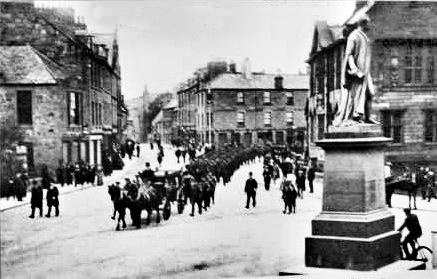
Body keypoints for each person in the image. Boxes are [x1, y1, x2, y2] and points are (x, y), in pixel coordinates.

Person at [334, 14, 377, 126]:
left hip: (366, 72)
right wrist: (355, 70)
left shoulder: (364, 37)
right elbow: (349, 55)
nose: (370, 25)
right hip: (357, 73)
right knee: (354, 96)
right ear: (363, 23)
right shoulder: (354, 36)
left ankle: (367, 117)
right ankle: (350, 117)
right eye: (368, 23)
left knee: (370, 93)